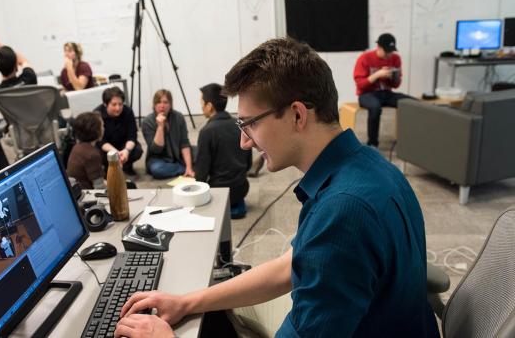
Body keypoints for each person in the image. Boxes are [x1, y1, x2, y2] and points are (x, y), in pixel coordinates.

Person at [116, 38, 439, 338]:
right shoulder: (369, 164)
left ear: (297, 115)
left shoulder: (343, 211)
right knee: (210, 307)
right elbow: (292, 264)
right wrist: (186, 302)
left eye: (250, 123)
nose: (244, 142)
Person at [194, 83, 251, 219]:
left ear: (209, 106)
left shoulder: (206, 132)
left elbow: (201, 175)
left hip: (218, 193)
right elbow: (248, 164)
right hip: (241, 189)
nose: (201, 106)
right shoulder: (239, 125)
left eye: (202, 102)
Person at [353, 33, 413, 147]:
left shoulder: (395, 58)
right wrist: (377, 75)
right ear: (379, 47)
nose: (389, 55)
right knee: (375, 108)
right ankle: (373, 144)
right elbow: (360, 85)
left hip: (386, 93)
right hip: (367, 94)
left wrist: (392, 77)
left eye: (391, 51)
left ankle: (410, 140)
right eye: (387, 52)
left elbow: (396, 85)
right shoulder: (365, 58)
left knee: (411, 104)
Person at [141, 89, 194, 179]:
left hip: (178, 155)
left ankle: (186, 168)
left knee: (200, 152)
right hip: (158, 159)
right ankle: (182, 168)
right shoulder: (147, 122)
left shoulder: (178, 117)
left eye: (165, 102)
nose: (162, 106)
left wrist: (189, 167)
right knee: (157, 169)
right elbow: (156, 149)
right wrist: (160, 127)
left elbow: (184, 143)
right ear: (154, 105)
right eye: (158, 102)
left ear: (170, 104)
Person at [94, 87, 143, 175]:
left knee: (137, 150)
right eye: (114, 104)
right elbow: (101, 141)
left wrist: (126, 151)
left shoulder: (128, 111)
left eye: (120, 104)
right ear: (105, 104)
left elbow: (132, 135)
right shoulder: (97, 114)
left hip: (123, 144)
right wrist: (116, 153)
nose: (118, 108)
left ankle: (126, 166)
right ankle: (108, 169)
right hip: (106, 147)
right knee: (98, 154)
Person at [67, 112, 106, 189]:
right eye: (102, 126)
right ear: (95, 130)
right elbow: (99, 188)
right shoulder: (92, 155)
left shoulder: (77, 147)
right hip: (87, 194)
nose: (104, 128)